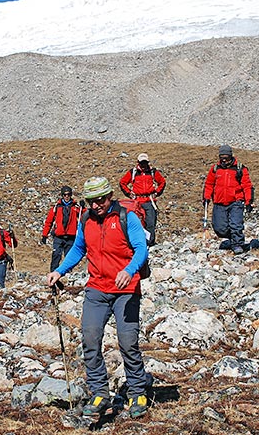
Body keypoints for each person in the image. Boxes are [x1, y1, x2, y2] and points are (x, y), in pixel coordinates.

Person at [46, 177, 150, 419]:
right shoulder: (86, 220)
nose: (96, 205)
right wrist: (59, 271)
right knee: (90, 339)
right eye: (91, 201)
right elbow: (79, 248)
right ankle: (100, 392)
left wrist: (129, 270)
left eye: (100, 200)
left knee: (128, 342)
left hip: (126, 288)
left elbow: (141, 249)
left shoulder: (127, 217)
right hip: (97, 288)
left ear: (110, 196)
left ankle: (137, 392)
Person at [203, 145, 255, 255]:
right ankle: (232, 239)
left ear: (231, 156)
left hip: (236, 201)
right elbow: (209, 184)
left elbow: (247, 185)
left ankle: (237, 244)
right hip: (219, 202)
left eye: (226, 157)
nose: (224, 160)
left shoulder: (240, 168)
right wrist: (206, 197)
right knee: (219, 228)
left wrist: (248, 201)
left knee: (236, 224)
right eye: (222, 157)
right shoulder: (215, 169)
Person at [119, 153, 166, 246]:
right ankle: (137, 243)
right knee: (137, 223)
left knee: (150, 223)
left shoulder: (153, 172)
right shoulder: (133, 172)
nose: (143, 165)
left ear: (147, 162)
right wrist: (129, 193)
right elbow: (122, 183)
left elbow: (162, 182)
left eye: (145, 163)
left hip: (149, 201)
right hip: (137, 202)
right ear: (138, 162)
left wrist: (156, 193)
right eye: (142, 163)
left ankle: (150, 243)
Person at [41, 186, 82, 272]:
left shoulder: (76, 207)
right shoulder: (56, 207)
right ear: (62, 195)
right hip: (58, 236)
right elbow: (49, 222)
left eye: (68, 194)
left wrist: (83, 207)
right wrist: (45, 235)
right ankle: (53, 273)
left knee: (69, 257)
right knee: (56, 255)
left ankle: (68, 274)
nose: (66, 196)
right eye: (64, 194)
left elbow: (84, 216)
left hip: (71, 237)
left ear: (71, 195)